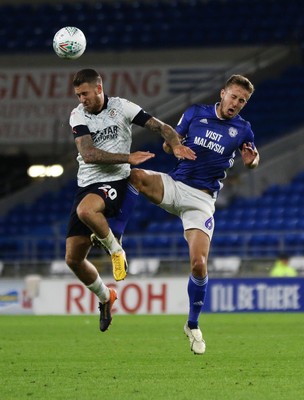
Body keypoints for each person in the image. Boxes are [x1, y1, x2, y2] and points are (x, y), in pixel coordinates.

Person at [128, 74, 260, 354]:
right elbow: (170, 142)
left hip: (201, 200)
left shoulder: (243, 129)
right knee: (133, 175)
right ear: (223, 93)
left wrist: (251, 161)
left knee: (199, 265)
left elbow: (253, 158)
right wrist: (172, 145)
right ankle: (114, 240)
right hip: (176, 185)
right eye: (234, 96)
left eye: (242, 100)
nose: (236, 103)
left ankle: (192, 324)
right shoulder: (195, 113)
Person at [65, 68, 195, 333]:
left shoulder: (122, 107)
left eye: (85, 93)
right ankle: (105, 296)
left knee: (86, 211)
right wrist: (128, 156)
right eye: (78, 95)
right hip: (86, 182)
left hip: (115, 181)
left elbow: (162, 127)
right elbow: (88, 154)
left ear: (99, 89)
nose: (81, 99)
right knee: (73, 259)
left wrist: (175, 143)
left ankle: (116, 249)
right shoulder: (78, 115)